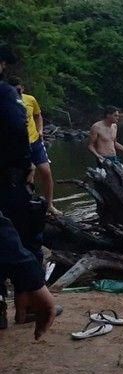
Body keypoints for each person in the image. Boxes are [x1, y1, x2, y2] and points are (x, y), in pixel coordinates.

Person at [0, 45, 57, 339]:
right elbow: (15, 129)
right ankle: (31, 305)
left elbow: (33, 122)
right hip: (9, 181)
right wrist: (25, 169)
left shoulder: (23, 100)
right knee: (24, 237)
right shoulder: (5, 96)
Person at [8, 76, 60, 215]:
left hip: (35, 141)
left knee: (46, 172)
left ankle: (50, 204)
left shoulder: (30, 99)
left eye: (18, 90)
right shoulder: (6, 103)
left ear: (22, 88)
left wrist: (40, 130)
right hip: (19, 145)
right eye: (13, 90)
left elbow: (38, 115)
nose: (16, 92)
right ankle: (26, 205)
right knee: (26, 175)